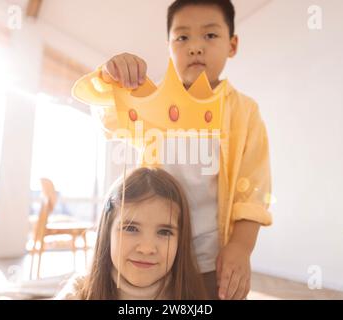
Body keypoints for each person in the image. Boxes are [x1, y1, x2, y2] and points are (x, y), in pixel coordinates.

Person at [73, 0, 273, 299]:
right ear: (168, 46)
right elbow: (108, 119)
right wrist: (109, 77)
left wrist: (241, 247)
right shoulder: (151, 99)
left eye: (210, 35)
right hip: (153, 255)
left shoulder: (245, 112)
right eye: (182, 37)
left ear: (232, 45)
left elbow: (254, 192)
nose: (195, 47)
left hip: (210, 261)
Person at [56, 167, 208, 299]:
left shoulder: (191, 294)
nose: (146, 248)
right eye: (131, 228)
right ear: (107, 232)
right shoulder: (78, 292)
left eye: (164, 232)